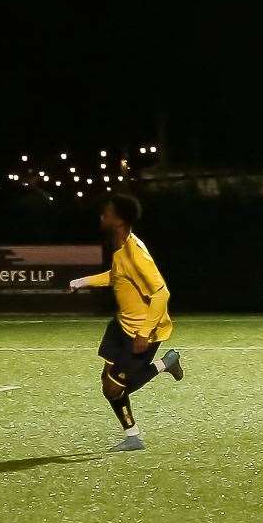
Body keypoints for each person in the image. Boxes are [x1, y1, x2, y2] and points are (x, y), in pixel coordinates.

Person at [67, 194, 185, 452]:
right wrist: (85, 281)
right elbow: (118, 276)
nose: (102, 215)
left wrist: (143, 333)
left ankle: (167, 363)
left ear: (119, 220)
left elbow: (161, 293)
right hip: (120, 326)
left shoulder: (135, 253)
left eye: (107, 212)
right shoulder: (120, 247)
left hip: (141, 334)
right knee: (108, 382)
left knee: (113, 388)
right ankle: (133, 437)